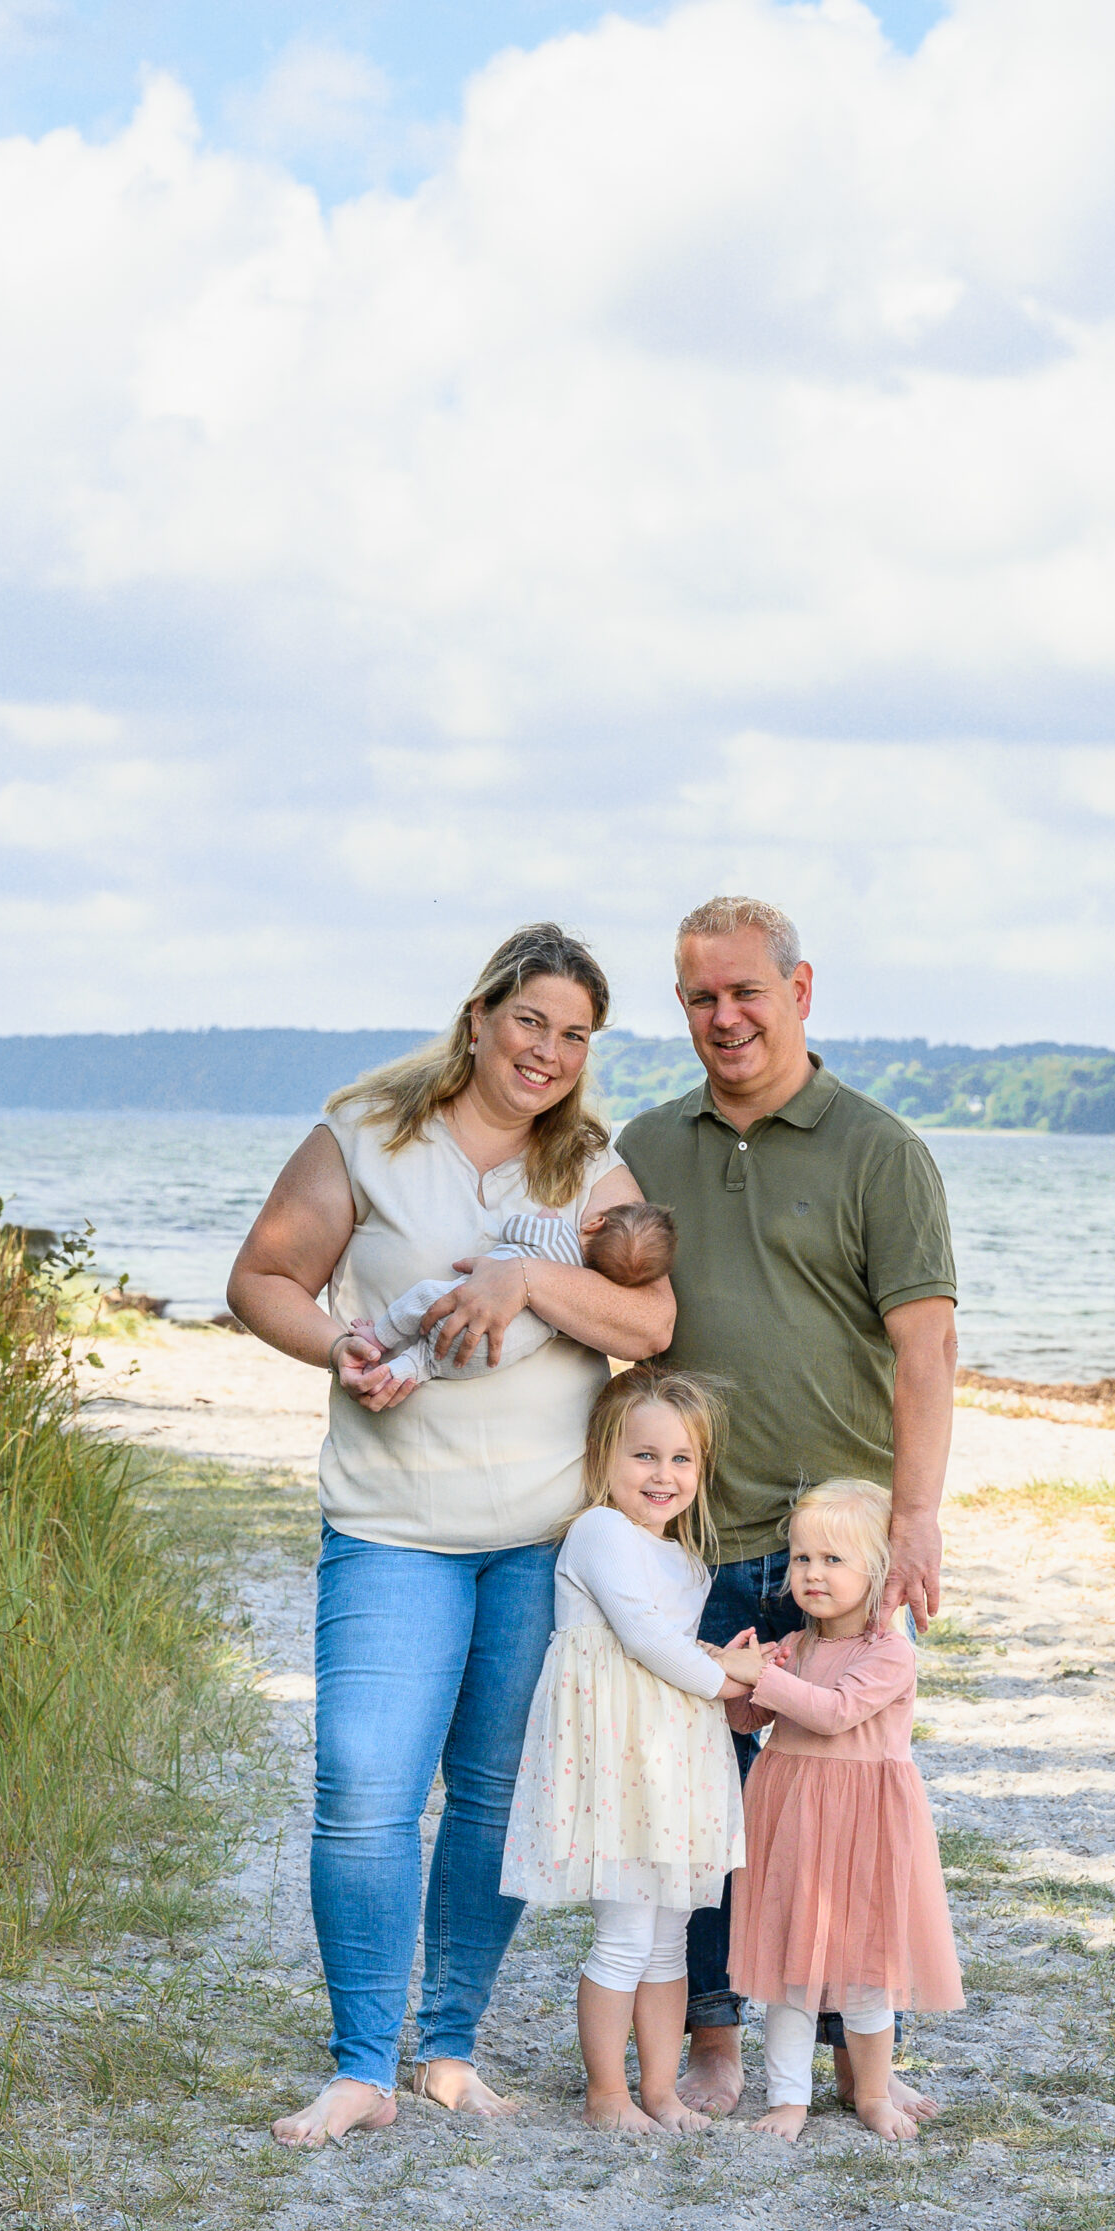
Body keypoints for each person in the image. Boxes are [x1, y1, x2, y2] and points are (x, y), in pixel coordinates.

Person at [228, 922, 674, 2151]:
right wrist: (341, 1345)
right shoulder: (365, 1133)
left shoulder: (587, 1164)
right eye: (529, 1021)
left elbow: (651, 1315)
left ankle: (447, 2046)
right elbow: (261, 1277)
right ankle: (363, 2063)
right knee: (366, 1788)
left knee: (489, 1793)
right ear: (479, 1016)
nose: (547, 1051)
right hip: (392, 1528)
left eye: (574, 1034)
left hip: (539, 1542)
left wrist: (528, 1283)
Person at [615, 894, 958, 2117]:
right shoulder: (646, 1145)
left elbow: (924, 1351)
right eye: (701, 997)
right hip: (696, 1542)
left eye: (746, 991)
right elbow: (602, 1310)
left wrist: (913, 1521)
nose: (725, 1016)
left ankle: (862, 2054)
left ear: (800, 992)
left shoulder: (879, 1150)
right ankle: (715, 2037)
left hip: (839, 1557)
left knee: (851, 1801)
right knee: (706, 1806)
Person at [501, 1367, 747, 2134]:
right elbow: (640, 1638)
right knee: (624, 1933)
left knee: (670, 1933)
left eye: (681, 1460)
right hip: (616, 1764)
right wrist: (722, 1674)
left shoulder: (686, 1560)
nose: (663, 1475)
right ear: (603, 1456)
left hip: (672, 1761)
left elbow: (667, 1640)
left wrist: (723, 1659)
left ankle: (661, 2090)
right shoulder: (599, 1531)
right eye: (644, 1455)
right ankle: (606, 2093)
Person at [720, 1478, 963, 2144]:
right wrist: (739, 1682)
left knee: (864, 1975)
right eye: (801, 1559)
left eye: (833, 1560)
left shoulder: (888, 1652)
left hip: (863, 1825)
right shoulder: (795, 1647)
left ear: (877, 1572)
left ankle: (873, 2093)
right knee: (791, 1973)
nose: (812, 1574)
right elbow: (752, 1717)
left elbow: (832, 1714)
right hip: (794, 1814)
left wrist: (755, 1674)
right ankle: (789, 2100)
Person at [356, 1202, 676, 1389]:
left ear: (595, 1223)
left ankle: (378, 1339)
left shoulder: (558, 1233)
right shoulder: (583, 1288)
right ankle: (388, 1376)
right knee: (426, 1361)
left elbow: (513, 1229)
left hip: (459, 1311)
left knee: (426, 1296)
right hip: (487, 1357)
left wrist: (543, 1217)